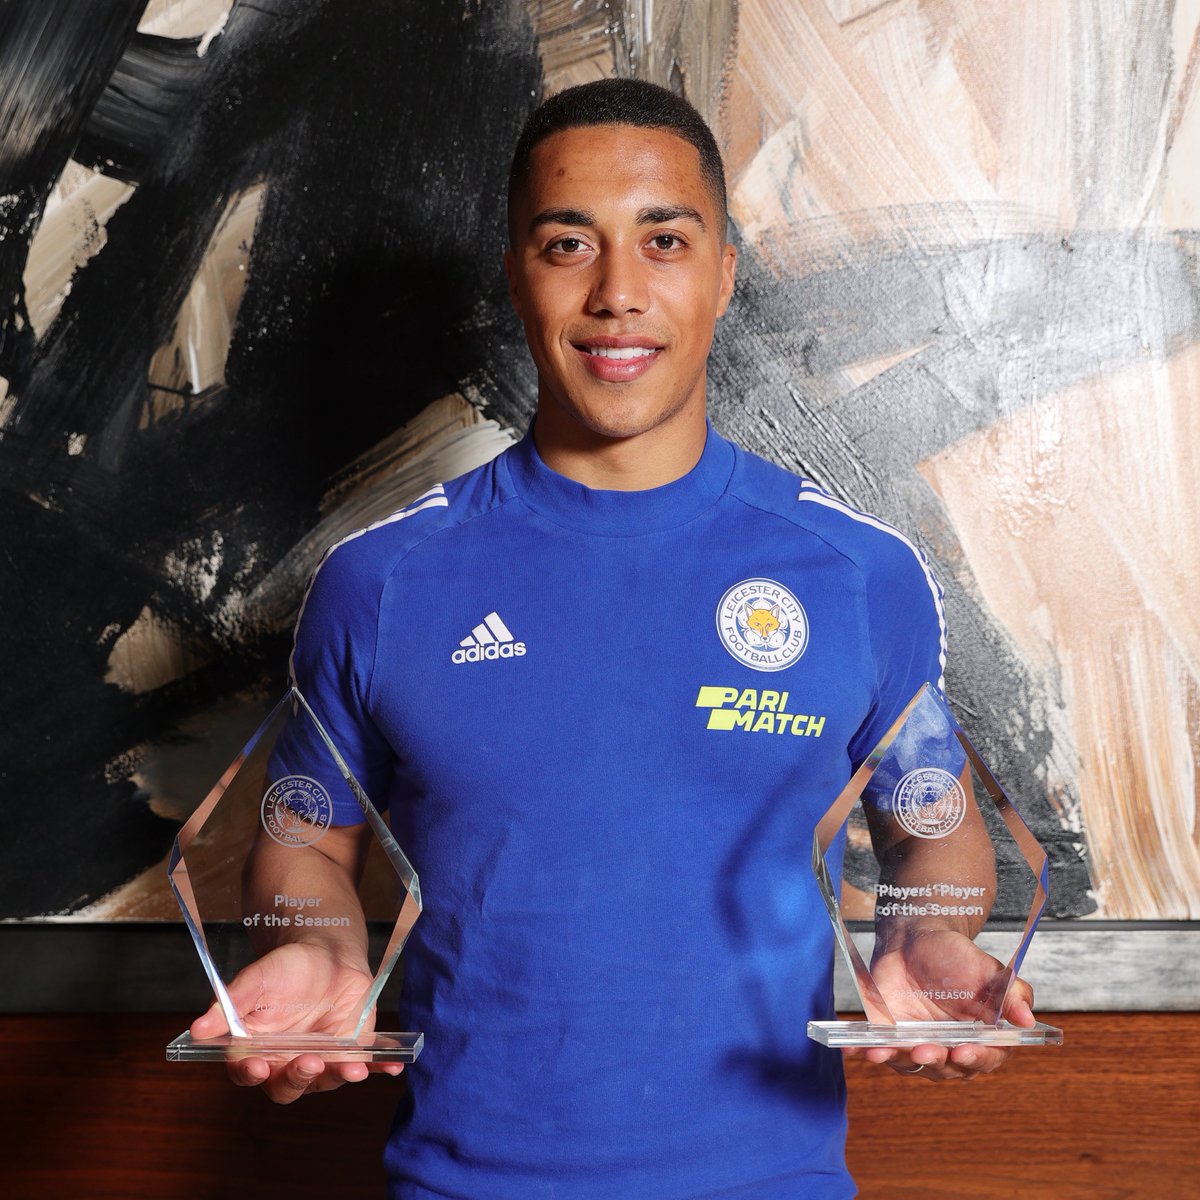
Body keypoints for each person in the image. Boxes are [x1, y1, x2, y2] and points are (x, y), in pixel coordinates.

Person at [192, 78, 1038, 1198]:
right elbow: (308, 839)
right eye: (568, 244)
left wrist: (925, 935)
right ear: (515, 273)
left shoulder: (858, 576)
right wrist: (316, 945)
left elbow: (932, 827)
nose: (618, 294)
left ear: (724, 272)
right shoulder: (379, 581)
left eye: (664, 241)